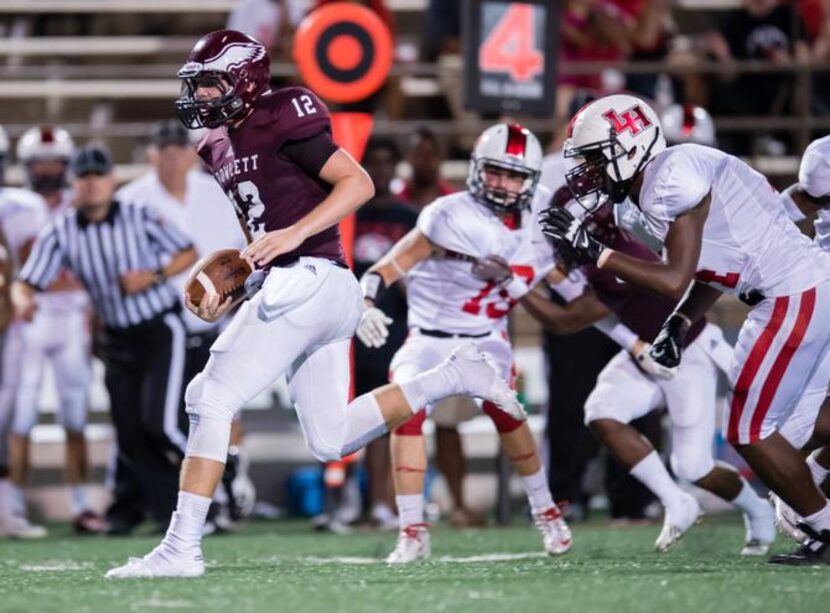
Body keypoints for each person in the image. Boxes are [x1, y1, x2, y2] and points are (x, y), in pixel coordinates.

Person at [103, 29, 519, 579]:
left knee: (209, 395)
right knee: (331, 438)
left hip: (312, 276)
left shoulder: (280, 112)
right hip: (303, 285)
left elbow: (357, 183)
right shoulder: (213, 144)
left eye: (210, 84)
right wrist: (245, 278)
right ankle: (453, 375)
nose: (201, 97)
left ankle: (181, 549)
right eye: (196, 86)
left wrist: (293, 236)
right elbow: (261, 218)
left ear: (246, 80)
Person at [541, 93, 830, 565]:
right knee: (784, 430)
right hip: (789, 293)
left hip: (794, 291)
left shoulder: (672, 176)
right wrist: (680, 320)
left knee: (752, 431)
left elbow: (674, 275)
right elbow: (710, 268)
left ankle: (824, 526)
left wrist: (596, 253)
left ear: (630, 149)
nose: (588, 172)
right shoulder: (633, 204)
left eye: (596, 159)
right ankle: (817, 521)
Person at [358, 123, 573, 563]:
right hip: (429, 341)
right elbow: (383, 268)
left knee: (509, 412)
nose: (502, 183)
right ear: (477, 169)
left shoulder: (540, 222)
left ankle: (546, 512)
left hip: (486, 341)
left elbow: (565, 285)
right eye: (494, 171)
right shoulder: (448, 213)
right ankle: (413, 529)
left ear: (530, 181)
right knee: (407, 414)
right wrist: (363, 303)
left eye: (513, 175)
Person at [524, 193, 775, 553]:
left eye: (565, 231)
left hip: (687, 353)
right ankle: (677, 501)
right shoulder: (604, 254)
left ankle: (758, 510)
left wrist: (513, 284)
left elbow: (568, 320)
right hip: (648, 350)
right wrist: (634, 345)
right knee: (601, 412)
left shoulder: (618, 256)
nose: (558, 242)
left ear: (589, 228)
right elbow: (605, 309)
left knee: (692, 465)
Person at [12, 142, 199, 535]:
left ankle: (221, 479)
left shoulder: (138, 214)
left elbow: (187, 252)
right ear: (74, 183)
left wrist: (154, 276)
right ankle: (173, 511)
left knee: (160, 425)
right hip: (116, 338)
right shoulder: (61, 231)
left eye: (99, 175)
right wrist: (21, 302)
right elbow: (27, 281)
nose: (93, 184)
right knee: (130, 435)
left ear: (111, 180)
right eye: (85, 177)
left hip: (159, 329)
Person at [117, 119, 249, 531]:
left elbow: (245, 252)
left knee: (221, 406)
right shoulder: (131, 200)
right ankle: (184, 501)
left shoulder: (219, 194)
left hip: (218, 319)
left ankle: (229, 484)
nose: (172, 155)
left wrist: (236, 299)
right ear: (151, 153)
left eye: (179, 147)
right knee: (163, 420)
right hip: (157, 327)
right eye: (164, 148)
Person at [8, 126, 104, 534]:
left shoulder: (81, 204)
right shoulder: (10, 205)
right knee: (19, 416)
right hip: (26, 318)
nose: (47, 169)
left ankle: (83, 503)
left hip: (71, 319)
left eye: (54, 162)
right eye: (40, 162)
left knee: (75, 415)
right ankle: (11, 506)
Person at [352, 137, 418, 529]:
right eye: (371, 163)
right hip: (354, 332)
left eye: (384, 162)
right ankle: (364, 500)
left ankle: (393, 503)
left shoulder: (410, 218)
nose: (378, 170)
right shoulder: (349, 216)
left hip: (396, 330)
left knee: (394, 419)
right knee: (361, 420)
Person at [0, 125, 51, 539]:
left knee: (9, 415)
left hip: (9, 322)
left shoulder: (22, 206)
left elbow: (33, 268)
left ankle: (7, 507)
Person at [395, 126, 455, 209]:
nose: (424, 162)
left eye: (429, 155)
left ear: (440, 157)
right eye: (418, 155)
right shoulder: (397, 201)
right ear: (409, 158)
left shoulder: (452, 202)